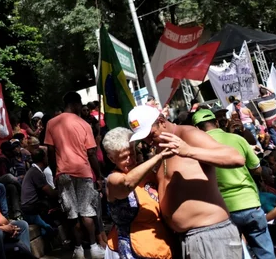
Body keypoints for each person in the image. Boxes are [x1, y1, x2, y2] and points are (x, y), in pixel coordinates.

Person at [127, 105, 245, 259]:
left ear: (162, 121)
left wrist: (188, 151)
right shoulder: (161, 148)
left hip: (210, 235)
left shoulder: (188, 134)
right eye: (144, 138)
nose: (148, 141)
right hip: (184, 239)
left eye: (151, 135)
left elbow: (236, 158)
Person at [192, 109, 274, 259]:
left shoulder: (196, 149)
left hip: (223, 210)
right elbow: (257, 169)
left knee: (236, 254)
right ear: (216, 122)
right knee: (265, 252)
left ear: (197, 129)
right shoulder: (237, 139)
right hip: (250, 203)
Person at [44, 91, 105, 259]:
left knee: (72, 214)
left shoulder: (52, 123)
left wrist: (55, 169)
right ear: (77, 104)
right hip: (83, 172)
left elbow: (50, 151)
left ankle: (78, 249)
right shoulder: (84, 124)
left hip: (63, 173)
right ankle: (93, 247)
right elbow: (91, 153)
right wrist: (98, 176)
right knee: (87, 212)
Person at [101, 127, 174, 259]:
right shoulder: (113, 179)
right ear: (112, 159)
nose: (131, 160)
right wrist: (159, 157)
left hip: (161, 243)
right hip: (133, 248)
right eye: (123, 157)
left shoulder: (147, 172)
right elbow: (127, 183)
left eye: (132, 153)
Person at [20, 149, 57, 236]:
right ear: (44, 158)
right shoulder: (36, 172)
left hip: (33, 205)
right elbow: (49, 192)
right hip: (31, 207)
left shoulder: (34, 171)